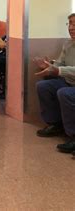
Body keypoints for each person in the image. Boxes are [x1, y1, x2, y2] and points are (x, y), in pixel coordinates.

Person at [34, 13, 75, 155]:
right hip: (69, 81)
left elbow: (61, 68)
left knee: (64, 93)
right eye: (69, 24)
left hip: (71, 84)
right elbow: (60, 63)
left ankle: (73, 136)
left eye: (74, 24)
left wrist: (57, 70)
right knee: (43, 86)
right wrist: (48, 65)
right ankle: (55, 124)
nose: (71, 28)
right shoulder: (68, 43)